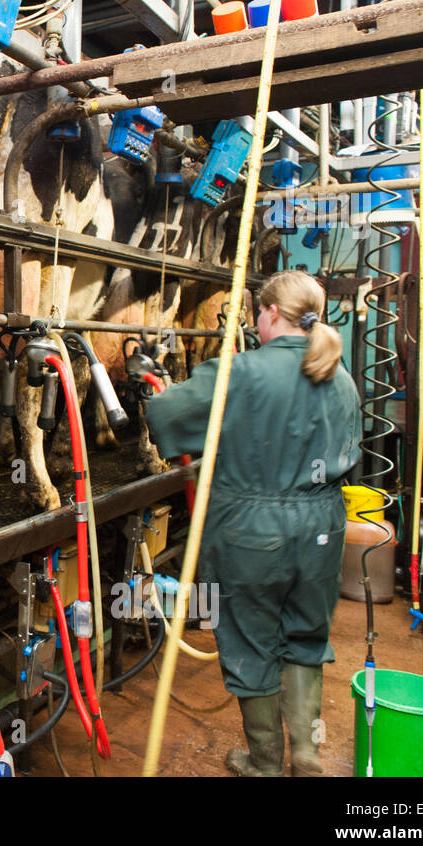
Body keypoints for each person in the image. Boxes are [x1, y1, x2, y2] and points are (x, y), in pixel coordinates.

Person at [145, 270, 362, 777]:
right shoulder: (343, 377)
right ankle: (307, 755)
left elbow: (166, 418)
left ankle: (264, 763)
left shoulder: (238, 372)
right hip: (322, 530)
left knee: (250, 642)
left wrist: (149, 380)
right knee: (306, 638)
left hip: (251, 532)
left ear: (266, 314)